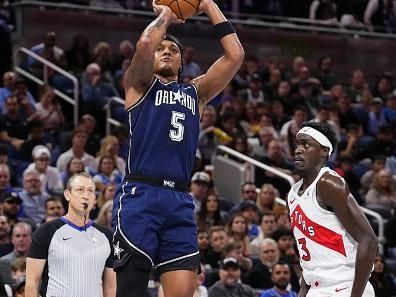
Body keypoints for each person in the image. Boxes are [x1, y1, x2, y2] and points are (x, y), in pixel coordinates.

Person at [111, 0, 244, 296]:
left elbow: (235, 55)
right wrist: (168, 16)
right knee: (130, 290)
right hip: (141, 196)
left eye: (174, 50)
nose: (167, 51)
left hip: (180, 200)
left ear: (182, 63)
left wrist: (208, 4)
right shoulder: (138, 86)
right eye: (163, 49)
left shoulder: (196, 93)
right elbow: (146, 42)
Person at [288, 121, 377, 297]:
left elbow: (368, 239)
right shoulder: (291, 195)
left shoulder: (329, 184)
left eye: (306, 144)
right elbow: (308, 254)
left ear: (324, 152)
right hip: (317, 288)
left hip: (345, 285)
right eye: (297, 144)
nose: (298, 149)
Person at [25, 172, 116, 297]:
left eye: (90, 191)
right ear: (67, 195)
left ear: (95, 198)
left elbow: (110, 286)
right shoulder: (46, 232)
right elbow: (32, 282)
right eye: (80, 190)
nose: (86, 195)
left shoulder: (107, 236)